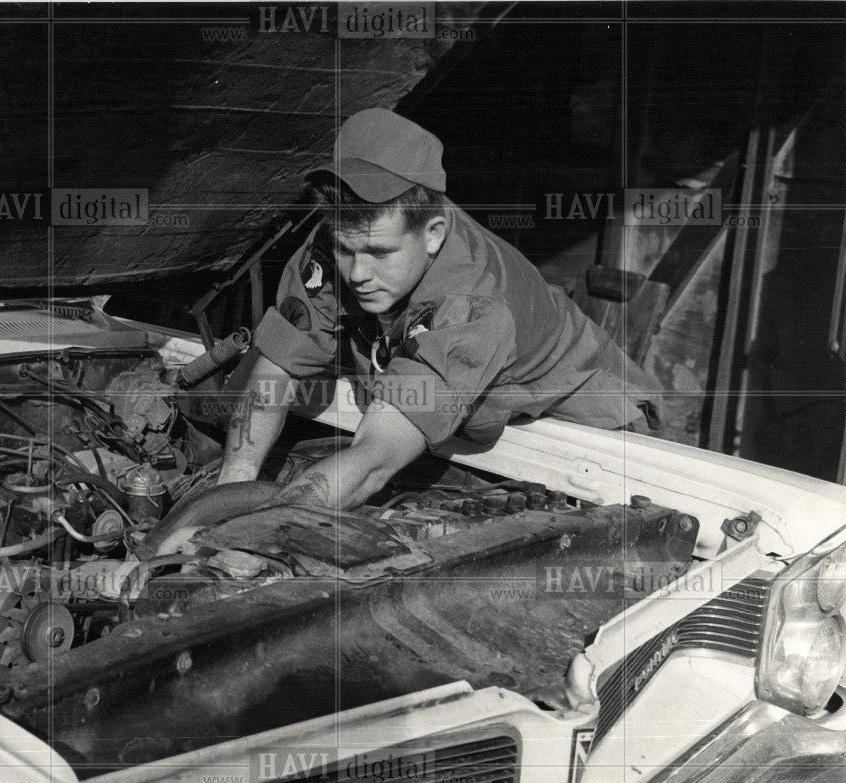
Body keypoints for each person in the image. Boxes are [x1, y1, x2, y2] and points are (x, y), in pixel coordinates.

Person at [216, 108, 663, 510]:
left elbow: (375, 458)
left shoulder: (472, 304)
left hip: (591, 424)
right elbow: (274, 375)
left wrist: (264, 522)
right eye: (344, 250)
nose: (356, 274)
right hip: (471, 408)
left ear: (432, 233)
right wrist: (227, 491)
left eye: (379, 252)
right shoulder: (343, 243)